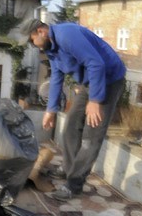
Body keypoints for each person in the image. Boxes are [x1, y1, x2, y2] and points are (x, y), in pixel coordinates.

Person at [26, 19, 126, 200]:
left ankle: (74, 184)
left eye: (32, 39)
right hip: (89, 82)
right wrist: (51, 109)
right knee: (71, 126)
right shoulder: (51, 47)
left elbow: (96, 63)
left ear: (41, 31)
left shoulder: (67, 35)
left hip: (109, 81)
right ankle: (68, 169)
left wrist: (95, 100)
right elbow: (57, 76)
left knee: (91, 135)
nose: (33, 45)